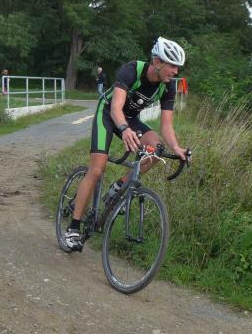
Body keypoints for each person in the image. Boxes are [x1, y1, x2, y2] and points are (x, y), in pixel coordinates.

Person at [65, 37, 188, 250]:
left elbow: (166, 125)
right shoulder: (132, 70)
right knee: (97, 169)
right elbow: (115, 108)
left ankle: (119, 186)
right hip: (108, 114)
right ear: (157, 62)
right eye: (172, 66)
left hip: (130, 119)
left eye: (178, 67)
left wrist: (176, 148)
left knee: (156, 149)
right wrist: (124, 129)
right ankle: (73, 228)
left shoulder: (168, 87)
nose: (175, 71)